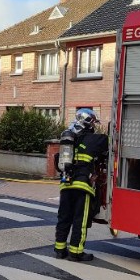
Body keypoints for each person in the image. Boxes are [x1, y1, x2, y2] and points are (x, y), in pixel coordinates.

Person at [54, 109, 109, 262]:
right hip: (83, 186)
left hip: (66, 185)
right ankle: (76, 252)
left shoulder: (67, 139)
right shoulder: (93, 139)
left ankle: (59, 250)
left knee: (64, 217)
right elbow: (110, 142)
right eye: (93, 122)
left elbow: (59, 163)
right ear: (88, 122)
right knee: (80, 220)